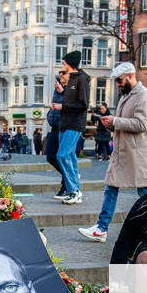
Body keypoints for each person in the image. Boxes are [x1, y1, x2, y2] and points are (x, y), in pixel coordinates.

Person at [78, 62, 147, 241]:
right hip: (124, 152)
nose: (118, 84)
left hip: (138, 154)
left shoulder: (144, 96)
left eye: (120, 80)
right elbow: (124, 124)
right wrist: (111, 125)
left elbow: (141, 124)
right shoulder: (126, 96)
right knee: (112, 187)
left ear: (130, 76)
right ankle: (101, 228)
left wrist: (114, 121)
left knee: (145, 191)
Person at [53, 51, 90, 205]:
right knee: (71, 157)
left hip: (75, 124)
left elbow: (83, 104)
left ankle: (74, 190)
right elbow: (71, 100)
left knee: (62, 155)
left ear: (69, 64)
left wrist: (62, 105)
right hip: (65, 123)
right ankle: (73, 191)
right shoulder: (71, 80)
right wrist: (63, 93)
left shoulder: (81, 79)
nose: (62, 66)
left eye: (63, 63)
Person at [45, 71, 69, 198]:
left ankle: (65, 186)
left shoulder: (71, 88)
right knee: (50, 157)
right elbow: (55, 104)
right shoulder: (57, 86)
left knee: (62, 157)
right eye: (59, 74)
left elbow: (73, 105)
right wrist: (50, 114)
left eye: (63, 73)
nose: (60, 76)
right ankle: (70, 175)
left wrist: (63, 92)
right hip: (54, 127)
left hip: (64, 127)